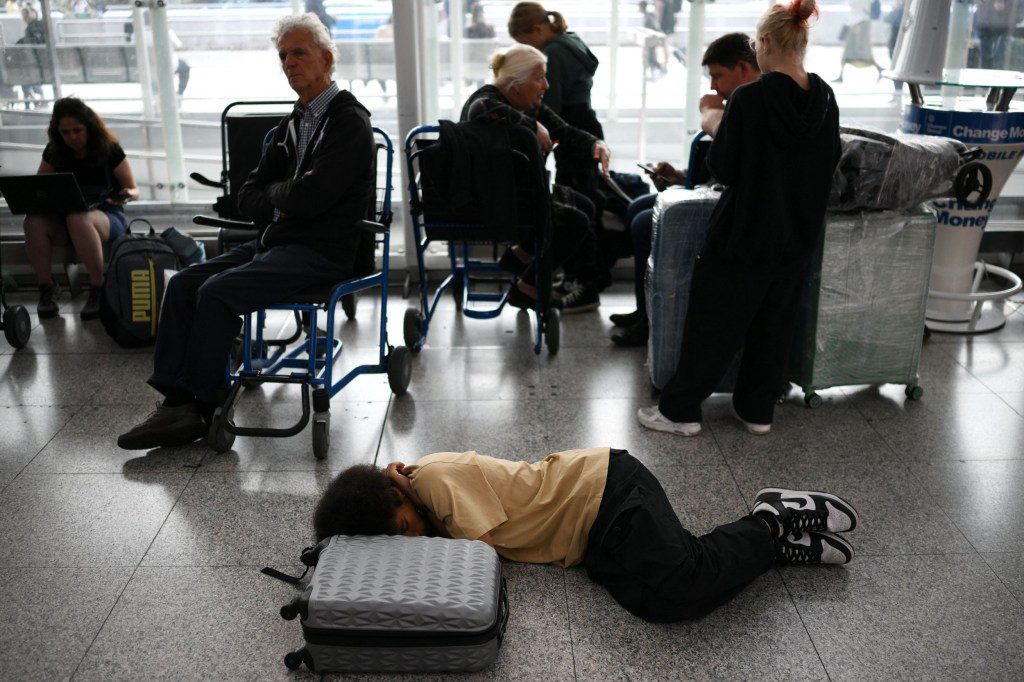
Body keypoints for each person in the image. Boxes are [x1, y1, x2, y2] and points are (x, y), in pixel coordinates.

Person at [117, 13, 375, 450]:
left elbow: (312, 199)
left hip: (324, 252)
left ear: (326, 59)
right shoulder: (291, 126)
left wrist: (284, 197)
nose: (290, 63)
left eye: (299, 53)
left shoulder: (348, 122)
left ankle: (204, 404)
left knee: (217, 292)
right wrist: (285, 195)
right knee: (183, 284)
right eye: (283, 56)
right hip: (278, 243)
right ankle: (176, 400)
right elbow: (247, 196)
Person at [314, 448, 859, 622]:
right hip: (589, 542)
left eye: (405, 530)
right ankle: (777, 549)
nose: (412, 543)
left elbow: (478, 564)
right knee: (658, 604)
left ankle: (772, 517)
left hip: (604, 492)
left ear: (400, 496)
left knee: (688, 582)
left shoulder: (430, 478)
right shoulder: (414, 503)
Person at [638, 0, 841, 437]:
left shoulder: (751, 98)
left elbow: (724, 166)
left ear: (764, 43)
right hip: (799, 234)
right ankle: (757, 410)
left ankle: (681, 412)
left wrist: (713, 118)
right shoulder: (825, 96)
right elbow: (828, 163)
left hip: (746, 232)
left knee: (715, 321)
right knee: (774, 323)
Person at [611, 33, 760, 348]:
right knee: (638, 206)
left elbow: (733, 159)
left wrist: (710, 115)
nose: (713, 86)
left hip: (734, 203)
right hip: (715, 189)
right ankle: (644, 309)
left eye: (719, 76)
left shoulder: (750, 104)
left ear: (744, 69)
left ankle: (650, 320)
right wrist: (681, 176)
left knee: (641, 223)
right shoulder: (737, 101)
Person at [461, 43, 611, 313]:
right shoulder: (486, 98)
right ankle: (528, 287)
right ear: (516, 83)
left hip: (519, 195)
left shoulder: (531, 107)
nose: (547, 85)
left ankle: (519, 258)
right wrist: (531, 126)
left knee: (585, 206)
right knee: (574, 221)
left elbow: (567, 133)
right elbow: (480, 109)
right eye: (539, 77)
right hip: (492, 201)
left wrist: (596, 145)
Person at [507, 3, 615, 294]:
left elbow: (546, 105)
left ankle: (582, 280)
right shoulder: (573, 41)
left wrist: (534, 125)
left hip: (570, 124)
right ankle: (582, 273)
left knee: (574, 211)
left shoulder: (554, 53)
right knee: (584, 200)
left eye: (526, 43)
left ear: (538, 30)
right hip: (584, 121)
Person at [22, 97, 139, 319]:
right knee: (33, 221)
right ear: (57, 132)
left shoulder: (109, 149)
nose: (72, 137)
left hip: (106, 215)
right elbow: (39, 188)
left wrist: (127, 194)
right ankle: (46, 286)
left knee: (79, 218)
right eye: (65, 132)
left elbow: (133, 189)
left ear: (89, 127)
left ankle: (98, 286)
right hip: (65, 217)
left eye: (77, 130)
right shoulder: (55, 151)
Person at [835, 0, 880, 83]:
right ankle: (841, 75)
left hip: (860, 24)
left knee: (862, 51)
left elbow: (853, 4)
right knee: (850, 51)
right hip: (855, 23)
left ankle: (879, 69)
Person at [974, 0, 1024, 70]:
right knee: (988, 57)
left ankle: (992, 71)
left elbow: (1020, 10)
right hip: (987, 26)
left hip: (1002, 27)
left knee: (999, 57)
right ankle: (988, 72)